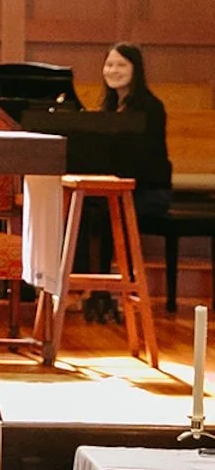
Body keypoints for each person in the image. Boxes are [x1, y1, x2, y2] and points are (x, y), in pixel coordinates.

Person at [80, 43, 172, 320]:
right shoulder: (108, 107)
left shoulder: (150, 107)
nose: (113, 71)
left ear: (135, 69)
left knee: (108, 214)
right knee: (87, 212)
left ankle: (112, 294)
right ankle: (95, 292)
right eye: (109, 65)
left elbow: (145, 161)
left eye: (121, 65)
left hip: (150, 191)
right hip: (120, 190)